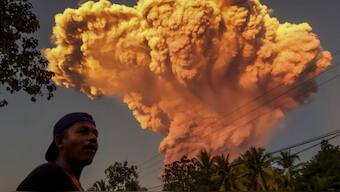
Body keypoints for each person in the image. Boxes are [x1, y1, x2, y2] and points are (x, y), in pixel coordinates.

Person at [17, 112, 98, 191]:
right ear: (60, 141)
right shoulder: (46, 177)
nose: (93, 137)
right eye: (83, 131)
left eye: (95, 134)